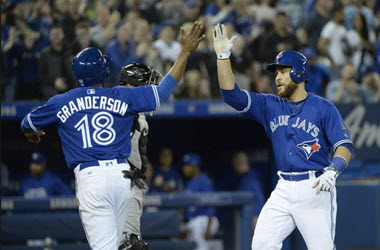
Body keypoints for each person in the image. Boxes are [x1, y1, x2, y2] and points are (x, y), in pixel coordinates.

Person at [20, 21, 205, 250]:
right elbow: (164, 89)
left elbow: (27, 122)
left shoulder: (62, 101)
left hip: (91, 177)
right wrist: (185, 51)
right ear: (104, 72)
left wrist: (31, 134)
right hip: (121, 177)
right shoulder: (121, 95)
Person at [213, 23, 353, 250]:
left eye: (283, 71)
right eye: (276, 72)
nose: (277, 77)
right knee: (261, 245)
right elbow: (231, 96)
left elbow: (344, 145)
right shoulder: (270, 104)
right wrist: (222, 57)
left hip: (315, 186)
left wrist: (333, 170)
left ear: (299, 72)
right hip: (283, 188)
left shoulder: (323, 107)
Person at [117, 62, 162, 250]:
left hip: (124, 181)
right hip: (126, 181)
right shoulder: (125, 111)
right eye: (146, 85)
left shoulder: (132, 111)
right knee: (130, 244)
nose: (151, 90)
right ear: (129, 86)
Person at [182, 153, 219, 250]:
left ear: (195, 167)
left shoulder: (204, 181)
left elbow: (211, 204)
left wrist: (208, 227)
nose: (185, 169)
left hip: (206, 220)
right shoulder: (190, 183)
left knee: (196, 227)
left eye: (187, 166)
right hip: (194, 221)